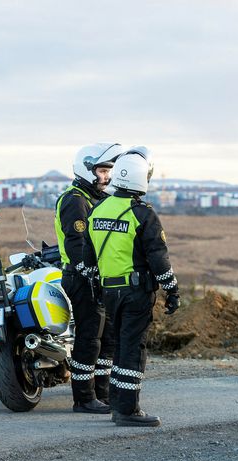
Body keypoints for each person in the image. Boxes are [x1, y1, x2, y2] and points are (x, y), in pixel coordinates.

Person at [83, 146, 180, 426]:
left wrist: (95, 287)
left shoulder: (98, 209)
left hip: (109, 291)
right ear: (142, 178)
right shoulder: (142, 213)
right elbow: (159, 259)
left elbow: (88, 258)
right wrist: (172, 290)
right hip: (135, 292)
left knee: (119, 347)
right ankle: (127, 410)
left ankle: (117, 402)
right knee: (132, 348)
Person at [55, 142, 123, 414]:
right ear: (87, 169)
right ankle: (83, 398)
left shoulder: (96, 199)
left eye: (109, 171)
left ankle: (102, 394)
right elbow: (76, 244)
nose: (107, 176)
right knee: (89, 338)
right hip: (80, 279)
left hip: (97, 279)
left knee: (107, 339)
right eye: (103, 170)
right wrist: (91, 274)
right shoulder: (75, 200)